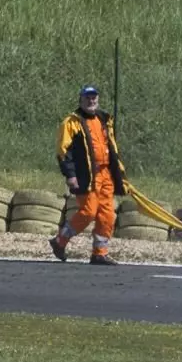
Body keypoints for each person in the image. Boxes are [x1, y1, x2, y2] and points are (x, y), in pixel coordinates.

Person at [50, 85, 127, 266]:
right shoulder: (72, 122)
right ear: (81, 100)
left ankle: (100, 253)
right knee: (88, 211)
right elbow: (63, 151)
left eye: (94, 97)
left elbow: (112, 148)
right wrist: (70, 175)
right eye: (87, 98)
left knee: (107, 215)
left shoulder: (104, 119)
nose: (91, 101)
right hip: (86, 175)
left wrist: (120, 174)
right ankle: (60, 240)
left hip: (106, 174)